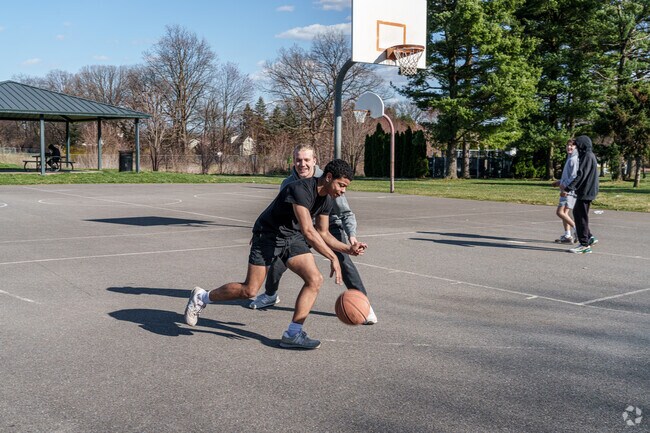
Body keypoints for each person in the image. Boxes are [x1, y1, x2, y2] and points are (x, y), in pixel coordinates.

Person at [184, 159, 367, 349]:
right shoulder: (301, 189)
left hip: (292, 238)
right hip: (268, 234)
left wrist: (348, 249)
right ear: (329, 178)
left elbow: (323, 232)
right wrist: (332, 257)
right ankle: (201, 297)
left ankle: (293, 334)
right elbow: (308, 231)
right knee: (250, 290)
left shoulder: (327, 199)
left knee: (315, 279)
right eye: (342, 185)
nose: (343, 190)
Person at [249, 144, 378, 324]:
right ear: (293, 162)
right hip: (301, 227)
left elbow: (345, 214)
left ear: (315, 161)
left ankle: (362, 303)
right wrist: (264, 233)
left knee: (343, 260)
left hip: (328, 224)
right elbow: (281, 213)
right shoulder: (289, 183)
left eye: (307, 160)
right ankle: (270, 294)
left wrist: (352, 240)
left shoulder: (331, 182)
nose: (302, 164)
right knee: (277, 262)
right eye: (298, 160)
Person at [562, 135, 599, 254]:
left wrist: (567, 189)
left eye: (577, 145)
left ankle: (584, 245)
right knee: (578, 213)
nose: (576, 147)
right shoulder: (587, 155)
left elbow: (581, 175)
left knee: (580, 216)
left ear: (582, 145)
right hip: (586, 190)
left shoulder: (587, 156)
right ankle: (589, 237)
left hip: (586, 191)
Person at [551, 139, 579, 244]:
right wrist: (559, 182)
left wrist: (565, 187)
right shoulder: (570, 158)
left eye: (572, 146)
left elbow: (574, 177)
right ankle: (567, 235)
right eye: (568, 145)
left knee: (559, 212)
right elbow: (569, 176)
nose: (569, 147)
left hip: (568, 191)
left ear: (576, 147)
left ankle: (577, 230)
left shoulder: (574, 159)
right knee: (565, 213)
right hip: (566, 189)